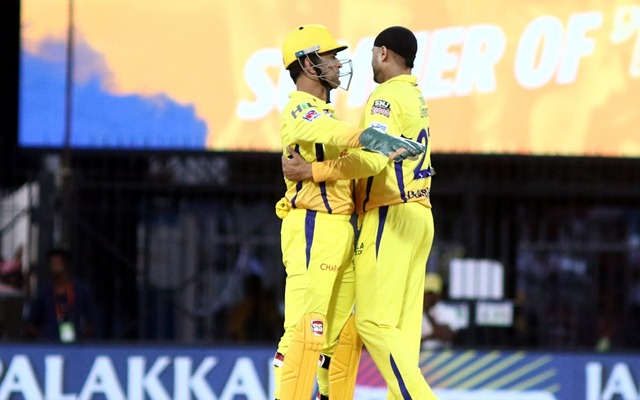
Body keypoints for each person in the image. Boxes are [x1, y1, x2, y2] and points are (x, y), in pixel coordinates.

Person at [282, 26, 438, 399]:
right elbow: (348, 139)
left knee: (366, 324)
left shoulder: (383, 97)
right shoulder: (415, 97)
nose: (340, 62)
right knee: (330, 330)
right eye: (331, 55)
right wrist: (362, 137)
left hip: (388, 214)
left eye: (343, 55)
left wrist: (316, 170)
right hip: (412, 213)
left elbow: (372, 159)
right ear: (306, 63)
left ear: (383, 54)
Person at [24, 248, 98, 343]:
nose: (55, 265)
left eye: (58, 262)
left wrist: (81, 340)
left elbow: (93, 320)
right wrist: (42, 340)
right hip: (49, 344)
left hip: (74, 344)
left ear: (66, 265)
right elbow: (30, 322)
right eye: (52, 263)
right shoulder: (44, 292)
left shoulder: (81, 290)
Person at [421, 273, 455, 350]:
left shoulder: (446, 311)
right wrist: (432, 336)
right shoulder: (414, 311)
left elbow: (446, 336)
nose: (428, 297)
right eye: (425, 293)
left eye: (431, 293)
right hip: (419, 355)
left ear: (438, 294)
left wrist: (427, 313)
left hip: (442, 354)